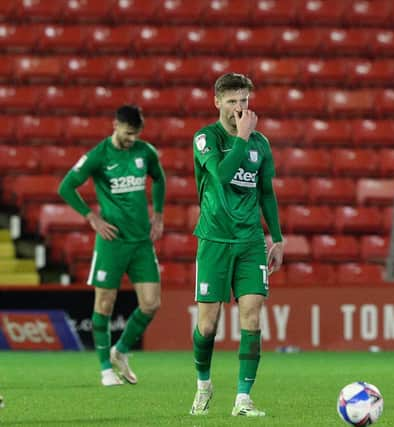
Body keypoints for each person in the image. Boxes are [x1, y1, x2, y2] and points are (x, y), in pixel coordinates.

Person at [188, 73, 284, 417]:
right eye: (232, 101)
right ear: (217, 102)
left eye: (244, 100)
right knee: (208, 325)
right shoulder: (205, 138)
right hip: (213, 240)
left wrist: (277, 237)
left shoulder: (262, 144)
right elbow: (223, 175)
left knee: (252, 316)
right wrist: (242, 138)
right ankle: (203, 385)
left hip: (250, 242)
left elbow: (267, 193)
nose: (239, 108)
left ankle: (243, 398)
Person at [58, 105, 166, 386]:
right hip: (112, 242)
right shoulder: (98, 156)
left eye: (136, 135)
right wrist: (91, 217)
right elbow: (66, 186)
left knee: (151, 304)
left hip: (141, 241)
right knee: (104, 303)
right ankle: (105, 368)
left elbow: (159, 178)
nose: (132, 139)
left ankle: (121, 350)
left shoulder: (145, 152)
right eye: (128, 134)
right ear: (116, 125)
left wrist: (159, 215)